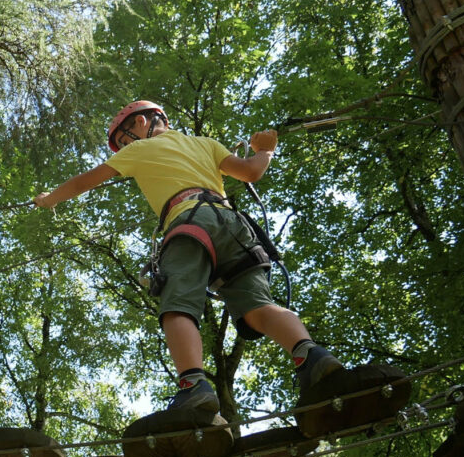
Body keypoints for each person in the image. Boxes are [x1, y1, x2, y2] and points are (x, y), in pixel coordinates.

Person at [33, 100, 344, 421]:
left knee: (177, 304)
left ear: (141, 123)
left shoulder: (139, 150)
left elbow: (84, 181)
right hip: (234, 226)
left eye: (125, 138)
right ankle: (311, 356)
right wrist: (264, 150)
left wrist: (49, 199)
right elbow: (251, 172)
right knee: (257, 309)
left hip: (189, 224)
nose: (124, 146)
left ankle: (194, 385)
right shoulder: (206, 144)